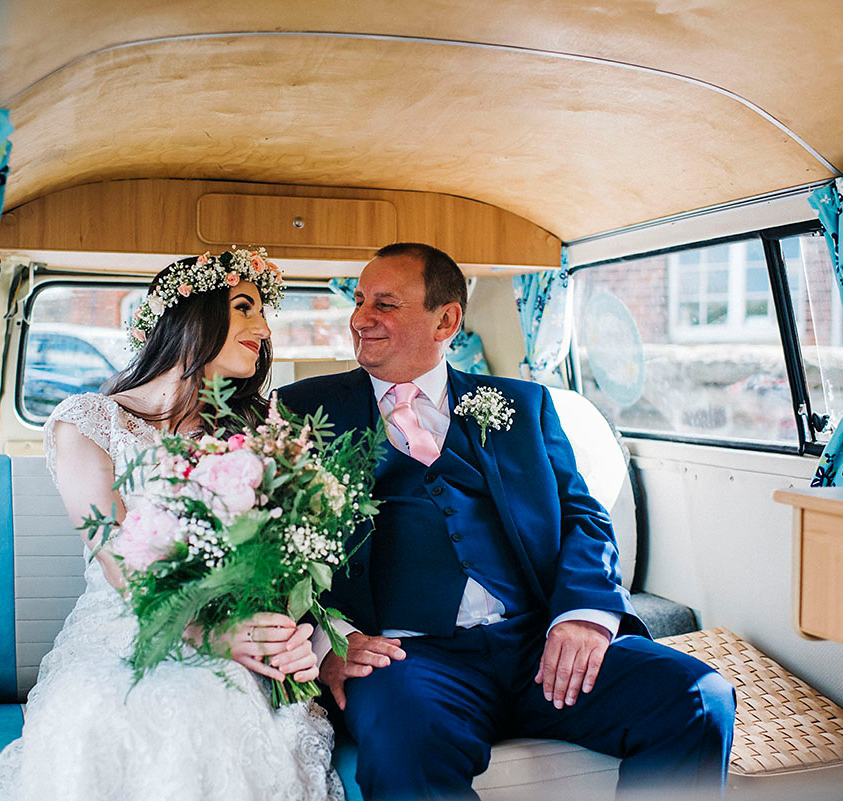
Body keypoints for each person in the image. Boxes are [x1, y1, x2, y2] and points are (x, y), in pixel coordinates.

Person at [278, 243, 736, 800]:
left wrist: (584, 616)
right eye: (360, 300)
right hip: (405, 658)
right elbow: (275, 548)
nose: (360, 317)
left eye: (386, 303)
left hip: (536, 643)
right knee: (405, 745)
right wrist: (333, 644)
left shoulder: (523, 404)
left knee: (698, 695)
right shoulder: (298, 410)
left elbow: (583, 519)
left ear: (446, 320)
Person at [0, 249, 343, 801]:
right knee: (102, 710)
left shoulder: (265, 432)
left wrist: (300, 638)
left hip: (241, 633)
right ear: (191, 316)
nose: (265, 329)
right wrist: (213, 636)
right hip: (124, 630)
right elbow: (116, 556)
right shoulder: (89, 422)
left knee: (215, 706)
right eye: (245, 307)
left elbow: (286, 562)